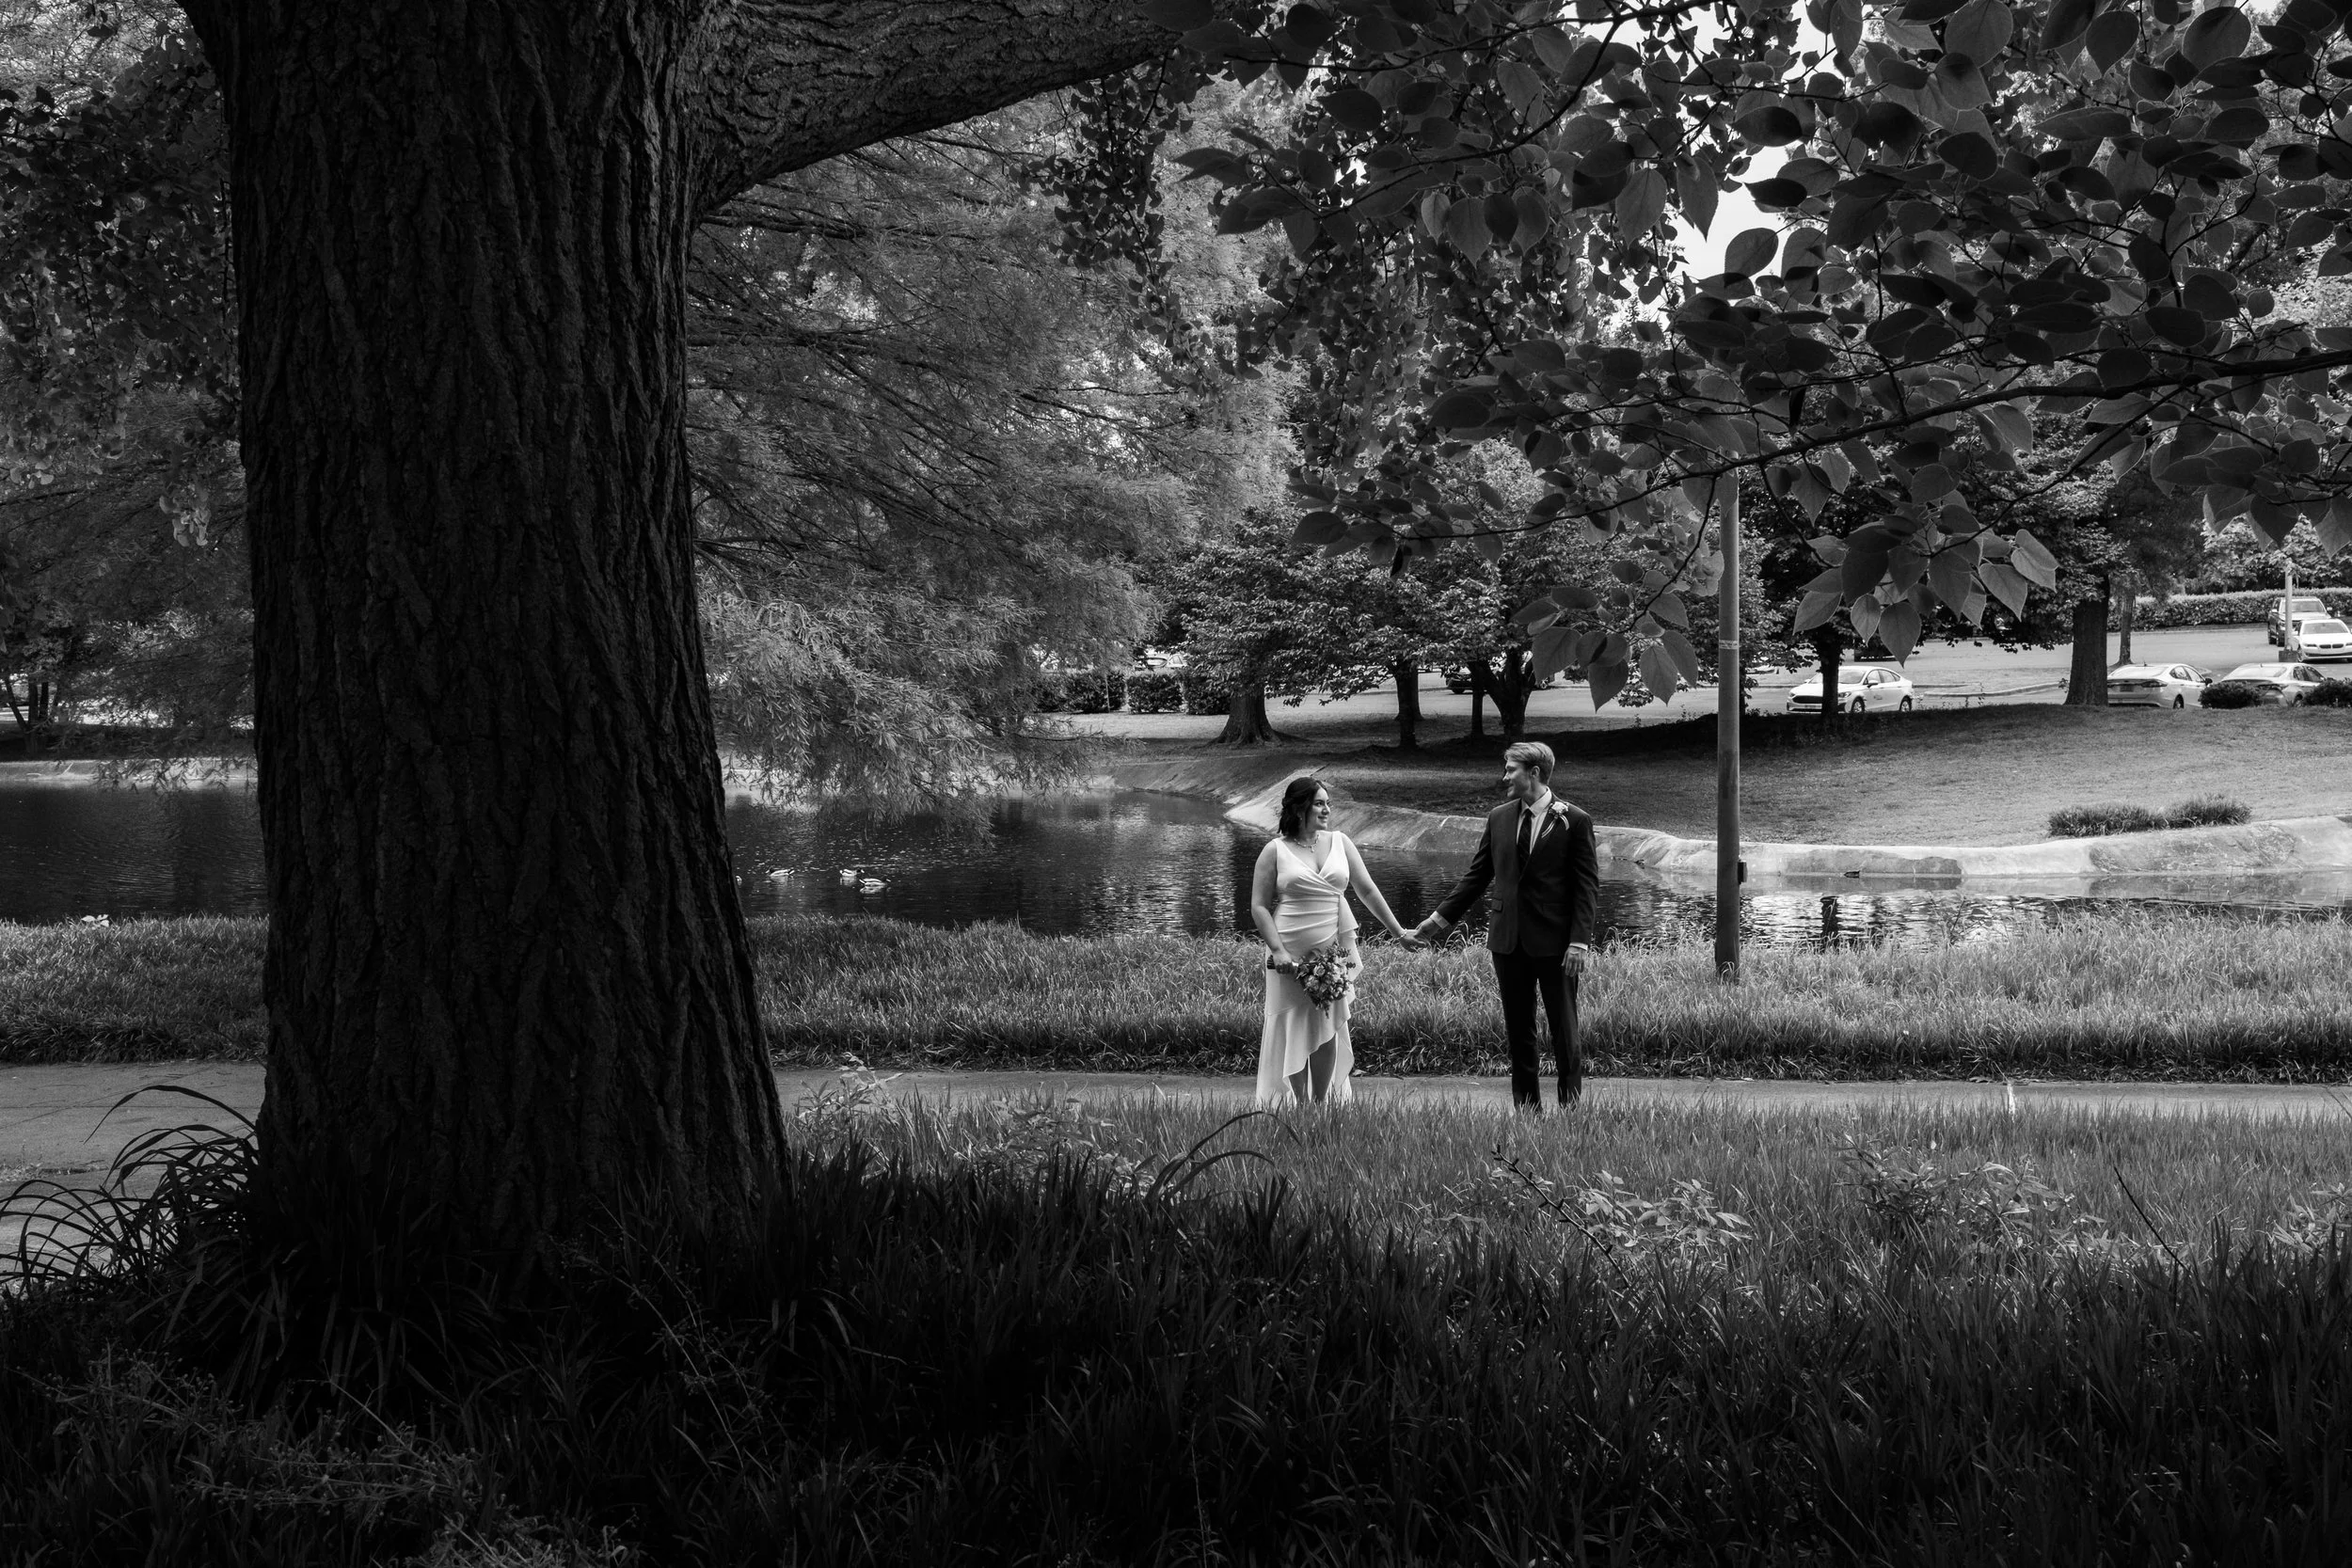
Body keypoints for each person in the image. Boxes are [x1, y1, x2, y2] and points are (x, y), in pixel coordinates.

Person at [1413, 740, 1599, 1110]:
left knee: (1565, 1030)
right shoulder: (1499, 817)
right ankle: (1526, 1110)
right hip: (1507, 940)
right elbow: (1476, 877)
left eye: (1510, 769)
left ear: (1533, 773)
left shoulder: (1574, 820)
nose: (1504, 777)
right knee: (1519, 1030)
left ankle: (1572, 1109)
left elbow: (1586, 887)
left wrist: (1579, 942)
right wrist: (1435, 922)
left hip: (1557, 943)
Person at [1249, 776, 1421, 1107]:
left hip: (1330, 952)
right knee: (1292, 1024)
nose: (1327, 809)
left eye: (1328, 803)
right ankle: (1299, 1105)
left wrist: (1399, 933)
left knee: (1327, 1023)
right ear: (1300, 808)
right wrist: (1278, 950)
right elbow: (1258, 905)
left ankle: (1320, 1104)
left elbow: (1367, 890)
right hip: (1288, 953)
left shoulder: (1341, 841)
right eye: (1319, 803)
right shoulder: (1275, 850)